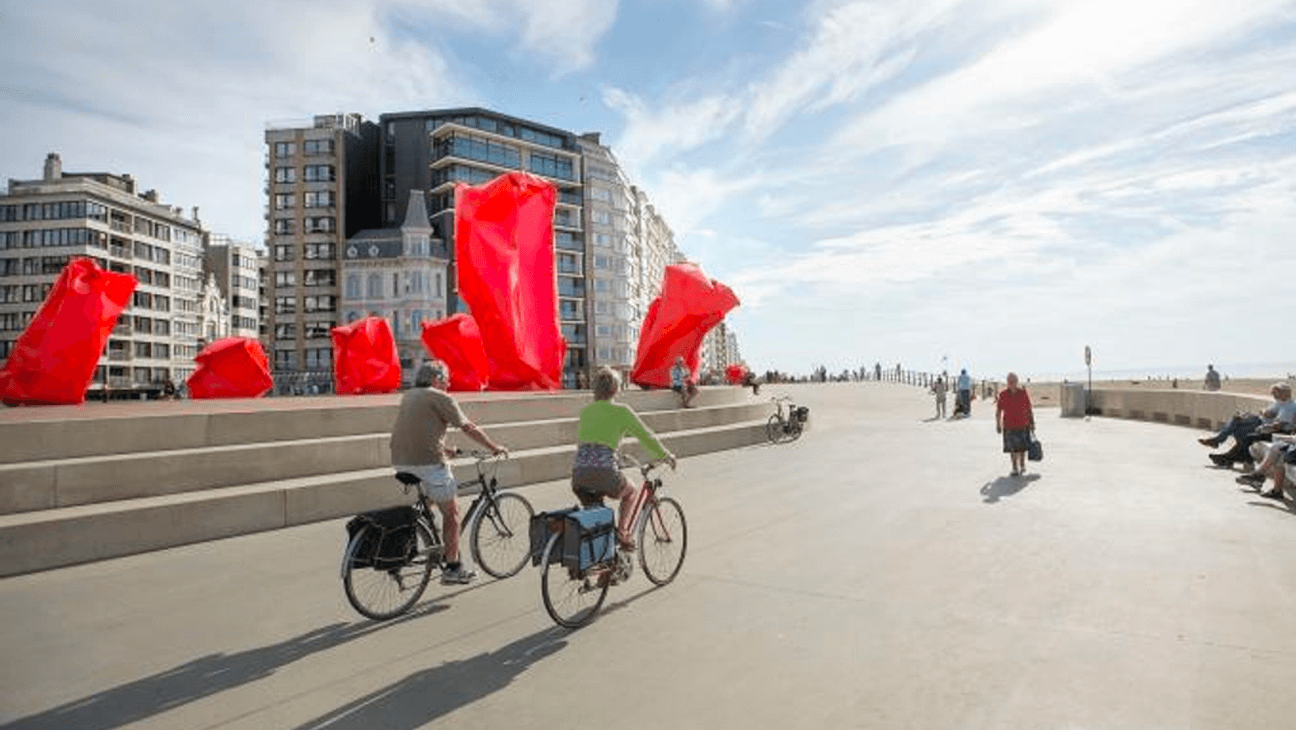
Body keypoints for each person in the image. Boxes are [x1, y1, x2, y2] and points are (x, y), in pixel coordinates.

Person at [390, 360, 508, 585]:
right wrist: (494, 447)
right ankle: (453, 568)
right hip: (427, 462)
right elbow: (468, 427)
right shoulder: (441, 397)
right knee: (453, 514)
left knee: (437, 500)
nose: (449, 384)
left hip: (400, 461)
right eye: (447, 380)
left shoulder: (409, 395)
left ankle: (428, 532)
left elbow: (417, 431)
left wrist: (445, 449)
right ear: (437, 380)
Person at [573, 367, 677, 549]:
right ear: (615, 389)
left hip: (579, 475)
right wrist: (665, 455)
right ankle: (623, 534)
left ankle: (604, 563)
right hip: (604, 471)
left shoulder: (586, 412)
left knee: (598, 517)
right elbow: (646, 436)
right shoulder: (622, 411)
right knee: (631, 492)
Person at [1203, 382, 1296, 468]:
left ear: (1285, 393)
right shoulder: (1280, 402)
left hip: (1272, 429)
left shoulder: (1289, 407)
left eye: (1275, 392)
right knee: (1237, 422)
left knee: (1243, 433)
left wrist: (1263, 427)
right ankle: (1228, 456)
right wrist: (1265, 413)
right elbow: (1266, 412)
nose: (1273, 395)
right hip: (1261, 421)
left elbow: (1278, 425)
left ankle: (1228, 453)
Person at [995, 372, 1035, 476]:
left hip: (1023, 424)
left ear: (1017, 382)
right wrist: (998, 424)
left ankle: (1022, 465)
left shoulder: (1023, 393)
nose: (1011, 383)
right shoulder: (1003, 394)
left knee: (1022, 448)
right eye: (1009, 382)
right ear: (1007, 383)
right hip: (1009, 426)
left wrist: (1032, 422)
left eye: (1013, 381)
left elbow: (1029, 408)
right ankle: (1014, 467)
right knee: (1012, 449)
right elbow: (999, 411)